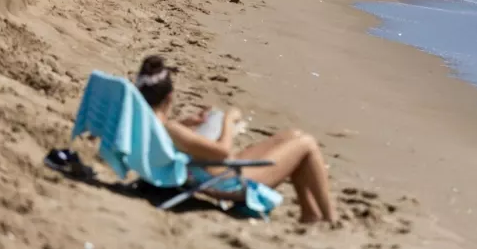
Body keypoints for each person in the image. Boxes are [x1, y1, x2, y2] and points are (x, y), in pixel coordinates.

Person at [135, 55, 336, 223]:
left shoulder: (147, 124)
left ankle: (311, 214)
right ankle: (330, 218)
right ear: (169, 97)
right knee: (306, 143)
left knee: (293, 136)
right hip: (228, 181)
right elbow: (224, 152)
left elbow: (181, 143)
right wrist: (229, 121)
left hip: (212, 172)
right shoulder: (170, 128)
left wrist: (188, 124)